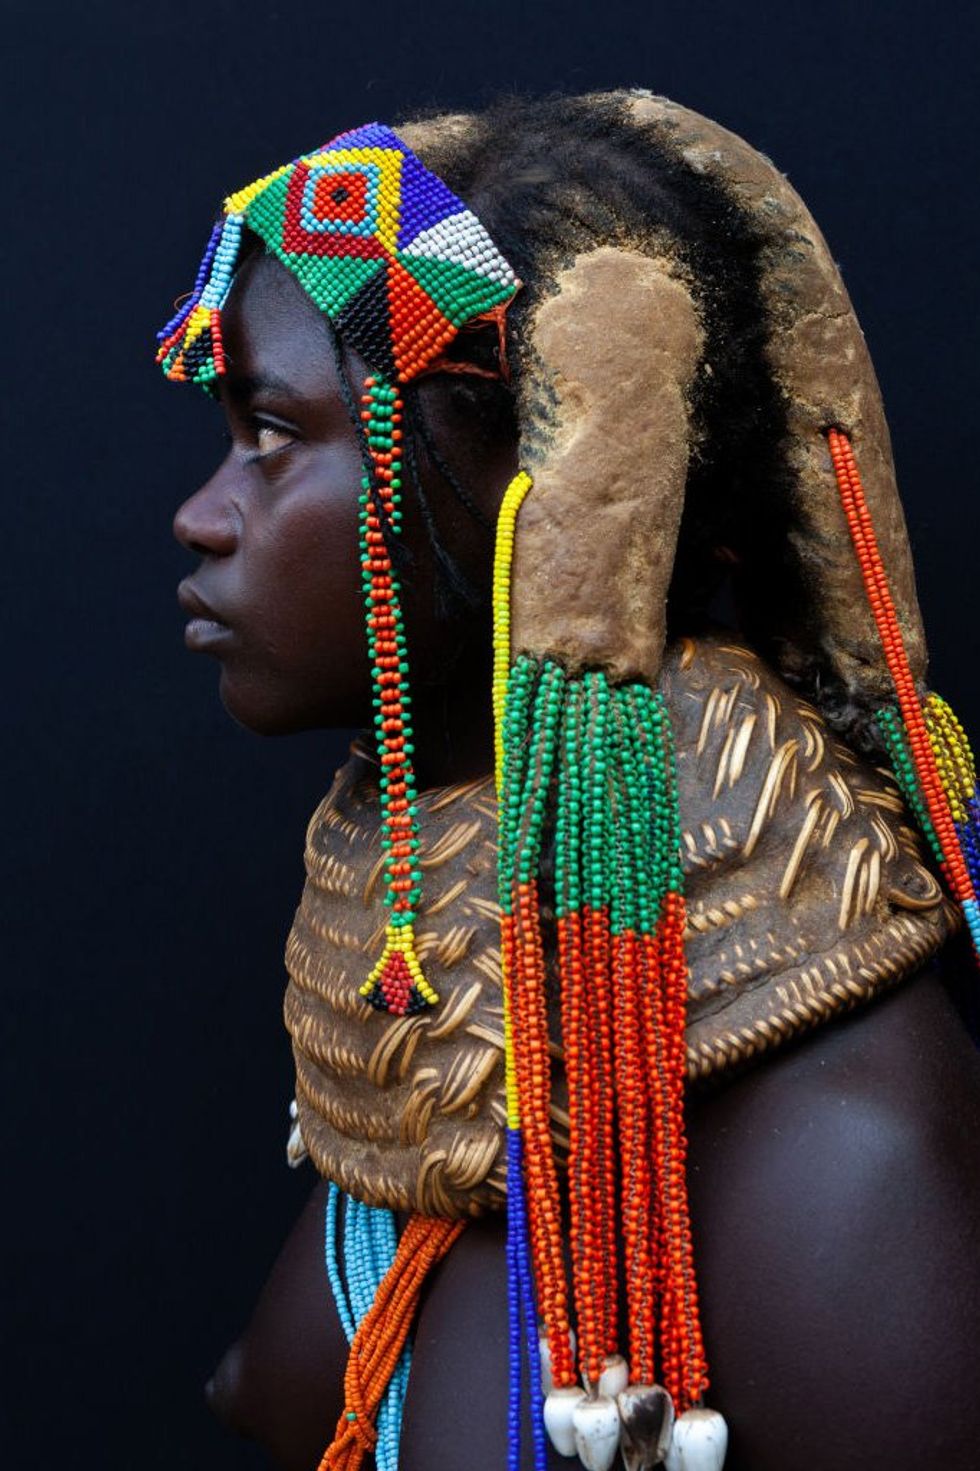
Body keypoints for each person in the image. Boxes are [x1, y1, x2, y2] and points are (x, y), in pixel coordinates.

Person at [164, 93, 980, 1471]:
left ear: (536, 478)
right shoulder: (444, 986)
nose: (203, 512)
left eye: (273, 434)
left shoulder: (842, 1168)